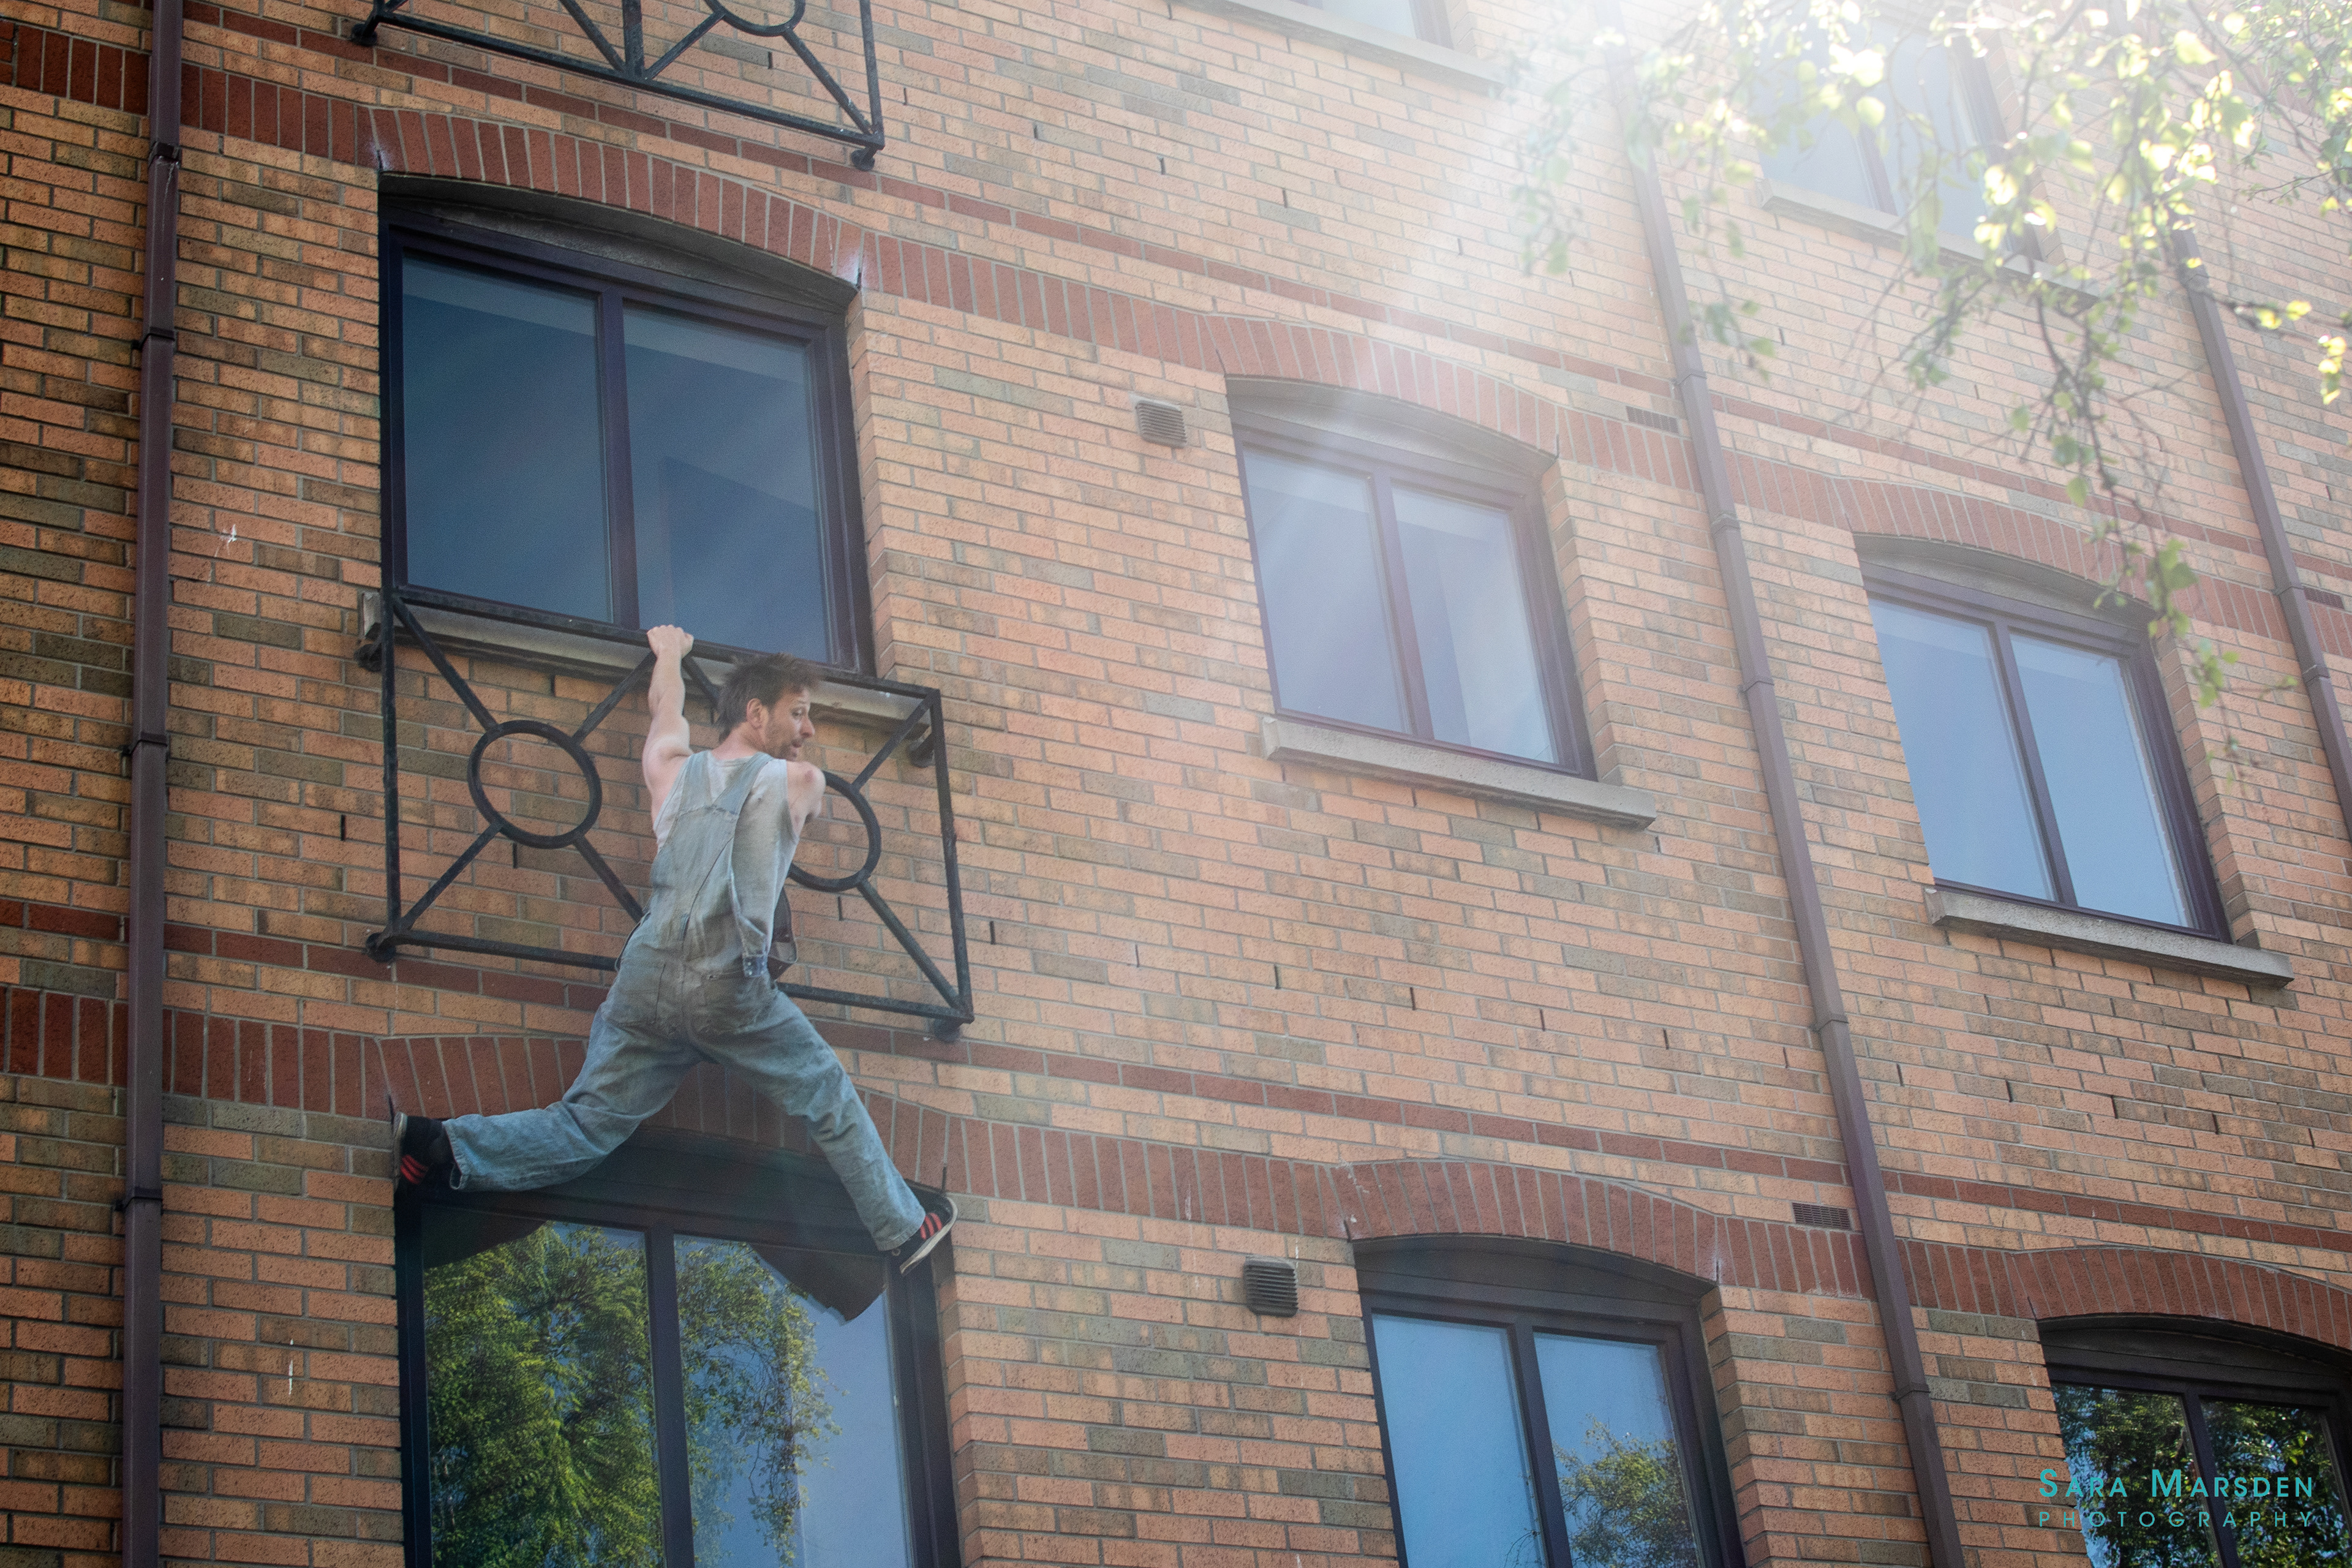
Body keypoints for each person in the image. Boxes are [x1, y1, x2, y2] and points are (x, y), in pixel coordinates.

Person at [390, 625, 955, 1273]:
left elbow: (666, 713)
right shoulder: (800, 780)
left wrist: (669, 656)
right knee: (826, 1092)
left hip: (646, 980)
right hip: (727, 990)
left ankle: (443, 1145)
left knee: (587, 1124)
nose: (808, 729)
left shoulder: (671, 771)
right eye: (799, 712)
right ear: (756, 713)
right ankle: (902, 1228)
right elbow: (796, 815)